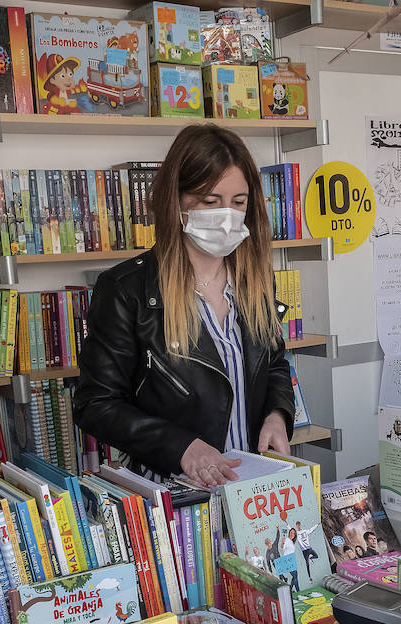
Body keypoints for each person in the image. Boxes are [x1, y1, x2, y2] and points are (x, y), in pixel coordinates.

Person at [75, 124, 294, 484]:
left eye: (238, 202)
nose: (227, 215)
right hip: (176, 494)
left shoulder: (256, 282)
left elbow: (273, 366)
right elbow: (95, 404)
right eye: (210, 202)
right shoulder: (126, 290)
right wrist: (181, 447)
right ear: (176, 200)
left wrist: (277, 414)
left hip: (253, 487)